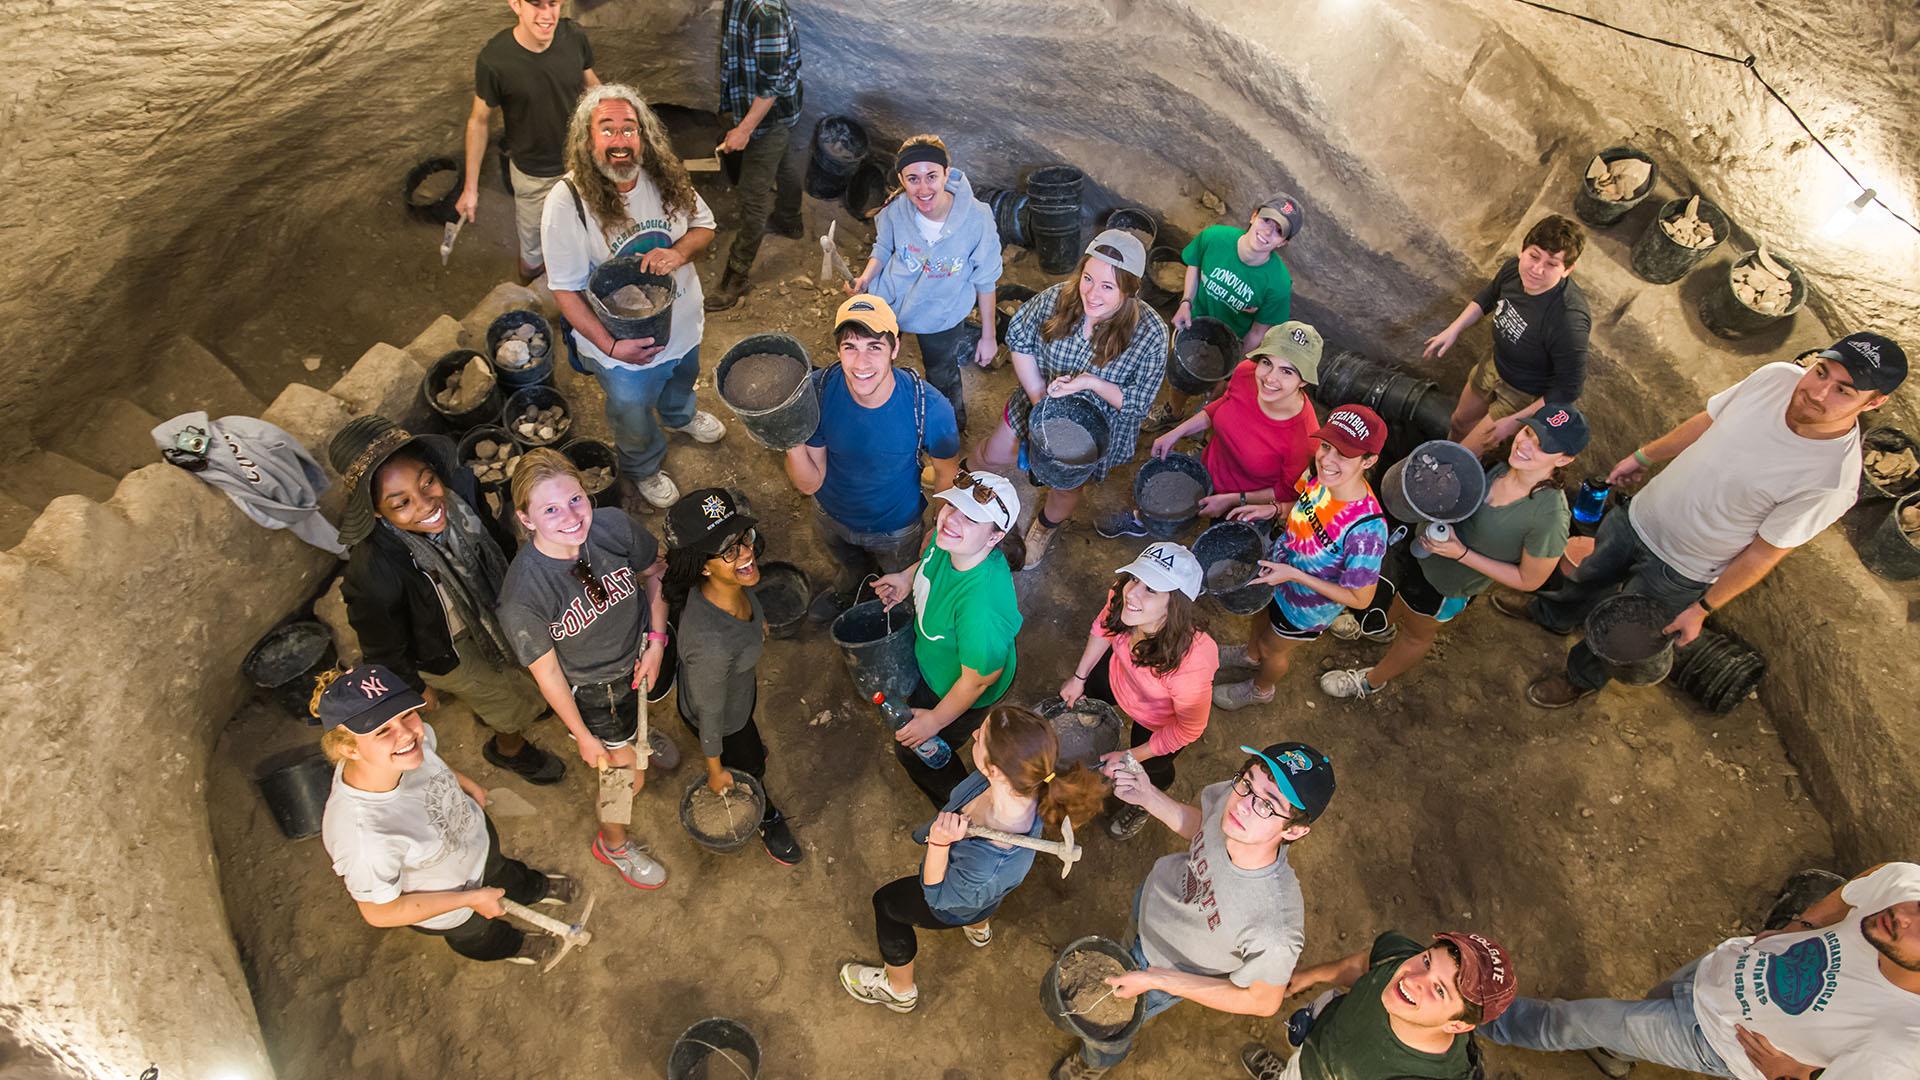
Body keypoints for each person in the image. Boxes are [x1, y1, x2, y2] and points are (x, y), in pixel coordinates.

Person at [1506, 333, 1906, 708]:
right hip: (1639, 517)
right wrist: (1644, 457)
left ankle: (1579, 678)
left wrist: (1703, 607)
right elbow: (1708, 420)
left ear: (1873, 403)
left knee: (1622, 635)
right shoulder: (1775, 378)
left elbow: (1764, 554)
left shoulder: (1831, 481)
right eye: (1822, 371)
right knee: (1586, 574)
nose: (1816, 391)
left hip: (1682, 568)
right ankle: (1551, 616)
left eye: (1843, 390)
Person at [1050, 743, 1336, 1079]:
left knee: (1111, 1027)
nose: (1242, 805)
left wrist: (1156, 979)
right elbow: (1204, 828)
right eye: (1248, 782)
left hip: (1168, 969)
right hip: (1153, 902)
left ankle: (1094, 1062)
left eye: (1268, 805)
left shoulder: (1274, 928)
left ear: (1295, 830)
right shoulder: (1234, 804)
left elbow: (1263, 1001)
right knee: (1126, 947)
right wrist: (1148, 796)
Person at [1479, 861, 1920, 1080]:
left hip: (1718, 1040)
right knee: (1647, 1005)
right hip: (1726, 965)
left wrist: (1793, 1075)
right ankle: (1615, 1052)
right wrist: (1801, 923)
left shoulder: (1901, 1047)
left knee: (1573, 1020)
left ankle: (1476, 1015)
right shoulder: (1906, 891)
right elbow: (1881, 877)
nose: (1903, 916)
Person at [330, 415, 565, 785]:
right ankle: (509, 749)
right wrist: (415, 687)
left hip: (492, 603)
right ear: (376, 511)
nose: (426, 504)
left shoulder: (462, 493)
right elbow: (383, 648)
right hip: (447, 649)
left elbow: (497, 537)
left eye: (427, 482)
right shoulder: (374, 574)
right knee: (508, 700)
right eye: (401, 503)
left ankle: (526, 705)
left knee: (527, 667)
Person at [839, 706, 1107, 1012]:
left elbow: (938, 898)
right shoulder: (1026, 785)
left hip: (956, 901)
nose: (974, 734)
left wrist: (939, 845)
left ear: (995, 770)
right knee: (983, 901)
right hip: (983, 897)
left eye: (980, 739)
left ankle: (899, 990)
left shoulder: (987, 865)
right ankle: (979, 929)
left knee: (887, 905)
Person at [496, 449, 681, 891]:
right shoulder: (524, 596)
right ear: (526, 519)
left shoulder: (612, 525)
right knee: (624, 779)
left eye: (575, 499)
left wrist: (656, 643)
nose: (571, 517)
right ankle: (613, 843)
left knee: (646, 715)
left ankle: (638, 736)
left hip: (639, 653)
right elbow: (549, 676)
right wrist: (583, 736)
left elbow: (656, 574)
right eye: (550, 509)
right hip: (597, 691)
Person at [543, 83, 727, 510]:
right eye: (607, 130)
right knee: (632, 409)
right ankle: (644, 464)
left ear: (643, 137)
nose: (620, 140)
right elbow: (565, 291)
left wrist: (679, 251)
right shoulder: (567, 203)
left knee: (683, 374)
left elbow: (705, 225)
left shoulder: (665, 179)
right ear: (588, 142)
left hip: (681, 322)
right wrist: (611, 346)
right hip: (621, 346)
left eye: (630, 129)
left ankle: (680, 416)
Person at [1318, 407, 1585, 700]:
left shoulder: (1549, 517)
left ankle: (1370, 681)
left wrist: (1461, 553)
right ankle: (1376, 625)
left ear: (1564, 459)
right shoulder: (1498, 464)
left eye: (1541, 445)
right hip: (1418, 552)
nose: (1524, 444)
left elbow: (1529, 580)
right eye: (1528, 432)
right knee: (1395, 595)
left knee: (1417, 631)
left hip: (1449, 584)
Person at [316, 664, 575, 965]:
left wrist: (464, 783)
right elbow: (379, 911)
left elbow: (427, 759)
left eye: (405, 714)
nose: (406, 735)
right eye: (383, 730)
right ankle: (510, 944)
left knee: (505, 872)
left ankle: (534, 888)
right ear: (350, 751)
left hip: (473, 840)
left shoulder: (408, 743)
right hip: (450, 901)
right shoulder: (364, 836)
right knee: (477, 933)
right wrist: (470, 899)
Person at [974, 229, 1171, 564]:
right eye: (1088, 278)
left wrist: (1092, 383)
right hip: (1037, 399)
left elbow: (1138, 403)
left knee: (1066, 487)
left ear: (1130, 291)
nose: (1092, 294)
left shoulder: (1151, 334)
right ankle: (966, 482)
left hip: (1094, 429)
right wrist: (1040, 402)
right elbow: (1020, 339)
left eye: (1108, 287)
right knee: (992, 454)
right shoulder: (1058, 298)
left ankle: (1044, 527)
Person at [786, 294, 962, 624]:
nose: (861, 362)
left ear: (895, 348)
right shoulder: (819, 392)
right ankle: (851, 585)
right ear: (838, 349)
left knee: (905, 582)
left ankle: (901, 613)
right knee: (848, 562)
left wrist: (940, 527)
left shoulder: (928, 407)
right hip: (831, 514)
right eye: (850, 347)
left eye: (874, 347)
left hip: (895, 528)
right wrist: (788, 436)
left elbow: (946, 472)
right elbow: (809, 482)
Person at [1213, 405, 1389, 711]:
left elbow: (1360, 599)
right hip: (1278, 571)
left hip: (1305, 607)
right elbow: (1302, 502)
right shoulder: (1320, 474)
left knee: (1273, 648)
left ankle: (1261, 688)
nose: (1327, 459)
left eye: (1343, 454)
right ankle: (1248, 655)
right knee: (1261, 616)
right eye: (1326, 446)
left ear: (1369, 461)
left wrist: (1295, 575)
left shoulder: (1367, 530)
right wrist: (1273, 509)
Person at [661, 487, 802, 865]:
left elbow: (745, 602)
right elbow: (710, 715)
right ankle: (766, 815)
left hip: (737, 696)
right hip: (724, 720)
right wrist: (716, 770)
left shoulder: (727, 585)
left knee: (750, 738)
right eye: (730, 551)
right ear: (703, 566)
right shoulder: (710, 644)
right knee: (749, 764)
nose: (747, 553)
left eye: (744, 539)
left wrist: (758, 625)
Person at [872, 470, 1025, 807]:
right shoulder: (953, 543)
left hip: (960, 688)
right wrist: (905, 578)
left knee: (916, 752)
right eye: (953, 507)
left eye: (972, 518)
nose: (952, 519)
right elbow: (929, 561)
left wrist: (935, 722)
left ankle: (962, 808)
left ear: (995, 537)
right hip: (937, 663)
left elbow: (978, 682)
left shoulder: (981, 609)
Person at [1058, 541, 1218, 841]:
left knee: (1151, 768)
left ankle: (1146, 802)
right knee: (1089, 698)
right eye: (1136, 579)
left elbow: (1188, 729)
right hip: (1118, 674)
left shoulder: (1192, 661)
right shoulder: (1124, 596)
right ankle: (1098, 719)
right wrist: (1080, 677)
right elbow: (1103, 627)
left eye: (1151, 590)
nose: (1131, 592)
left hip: (1157, 721)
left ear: (1176, 605)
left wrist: (1132, 756)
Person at [1100, 322, 1321, 538]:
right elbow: (1223, 405)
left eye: (1287, 372)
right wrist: (1177, 432)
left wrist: (1233, 500)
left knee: (1216, 543)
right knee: (1171, 501)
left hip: (1247, 502)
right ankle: (1144, 521)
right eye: (1266, 362)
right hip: (1209, 466)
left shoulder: (1304, 439)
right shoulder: (1246, 373)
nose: (1270, 378)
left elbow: (1285, 491)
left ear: (1303, 381)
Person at [848, 134, 1004, 432]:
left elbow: (986, 280)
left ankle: (948, 428)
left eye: (932, 176)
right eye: (913, 179)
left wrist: (988, 336)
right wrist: (866, 277)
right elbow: (883, 247)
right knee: (876, 362)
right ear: (901, 179)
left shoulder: (977, 219)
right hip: (891, 302)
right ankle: (882, 419)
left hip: (941, 315)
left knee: (941, 372)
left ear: (947, 172)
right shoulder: (896, 210)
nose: (923, 188)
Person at [1240, 930, 1515, 1080]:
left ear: (1457, 1025)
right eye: (1428, 961)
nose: (1412, 978)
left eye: (1440, 990)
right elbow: (1362, 964)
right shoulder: (1401, 957)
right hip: (1316, 1047)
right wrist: (1308, 977)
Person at [1421, 215, 1591, 455]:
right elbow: (1489, 296)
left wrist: (1514, 421)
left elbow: (1568, 389)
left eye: (1552, 264)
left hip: (1525, 391)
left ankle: (1451, 475)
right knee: (1459, 422)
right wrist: (1453, 330)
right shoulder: (1514, 269)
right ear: (1523, 251)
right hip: (1495, 363)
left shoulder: (1568, 320)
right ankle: (1438, 458)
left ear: (1567, 270)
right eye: (1533, 256)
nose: (1537, 269)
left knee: (1466, 454)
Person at [456, 0, 600, 281]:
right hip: (533, 174)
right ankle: (532, 285)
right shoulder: (495, 60)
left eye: (554, 4)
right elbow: (479, 121)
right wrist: (470, 189)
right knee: (532, 254)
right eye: (536, 5)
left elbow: (592, 85)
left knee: (584, 229)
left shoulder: (574, 38)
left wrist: (614, 128)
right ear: (515, 5)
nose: (547, 15)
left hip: (581, 163)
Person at [1145, 194, 1305, 431]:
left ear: (1283, 242)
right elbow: (1194, 263)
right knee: (1181, 377)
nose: (1267, 232)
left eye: (1278, 231)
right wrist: (1186, 301)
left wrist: (1231, 372)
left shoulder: (1277, 283)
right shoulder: (1215, 237)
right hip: (1194, 325)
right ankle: (1174, 411)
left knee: (1218, 392)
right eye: (1266, 221)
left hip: (1230, 344)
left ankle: (1204, 420)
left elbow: (1258, 332)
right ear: (1254, 216)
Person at [706, 0, 805, 312]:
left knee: (753, 194)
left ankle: (736, 274)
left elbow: (771, 86)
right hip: (756, 105)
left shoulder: (765, 14)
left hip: (769, 115)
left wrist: (744, 129)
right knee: (785, 161)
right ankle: (790, 221)